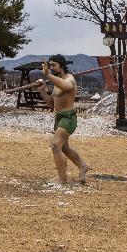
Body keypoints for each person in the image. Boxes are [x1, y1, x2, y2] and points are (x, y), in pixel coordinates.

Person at [36, 55, 91, 184]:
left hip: (68, 117)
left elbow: (67, 87)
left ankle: (62, 178)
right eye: (50, 65)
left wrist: (48, 75)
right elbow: (51, 104)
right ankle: (82, 165)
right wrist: (43, 90)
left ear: (61, 65)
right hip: (59, 117)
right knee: (64, 148)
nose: (51, 68)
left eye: (54, 65)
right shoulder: (56, 83)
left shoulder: (69, 79)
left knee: (55, 145)